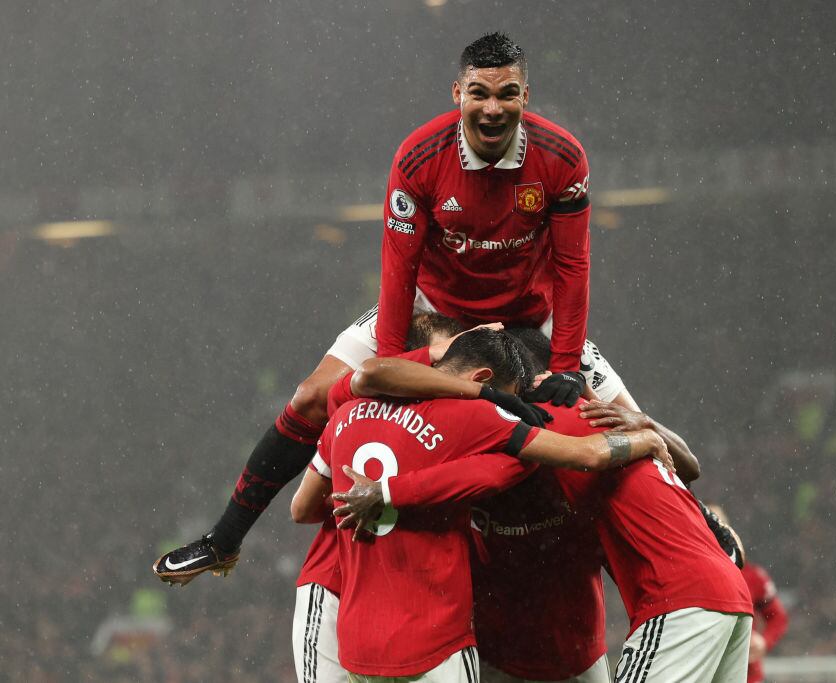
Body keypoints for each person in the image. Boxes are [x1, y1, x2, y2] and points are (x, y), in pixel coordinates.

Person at [154, 31, 635, 585]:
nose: (493, 108)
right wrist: (391, 369)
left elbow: (573, 267)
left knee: (613, 406)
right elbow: (397, 269)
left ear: (527, 96)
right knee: (313, 395)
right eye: (479, 93)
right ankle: (224, 539)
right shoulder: (419, 156)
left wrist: (569, 366)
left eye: (508, 94)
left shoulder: (563, 157)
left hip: (527, 317)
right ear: (457, 93)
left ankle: (693, 514)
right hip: (432, 309)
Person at [336, 331, 754, 683]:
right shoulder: (605, 415)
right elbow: (689, 470)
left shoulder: (538, 424)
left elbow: (501, 471)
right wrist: (649, 430)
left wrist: (388, 491)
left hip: (677, 603)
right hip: (728, 597)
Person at [288, 313, 466, 683]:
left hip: (343, 586)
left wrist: (353, 504)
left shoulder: (350, 409)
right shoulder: (455, 425)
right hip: (397, 599)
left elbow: (302, 509)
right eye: (445, 358)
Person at [706, 505, 790, 683]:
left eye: (717, 523)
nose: (714, 531)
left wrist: (764, 641)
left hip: (747, 677)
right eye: (707, 524)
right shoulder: (686, 576)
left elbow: (778, 617)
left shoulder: (752, 577)